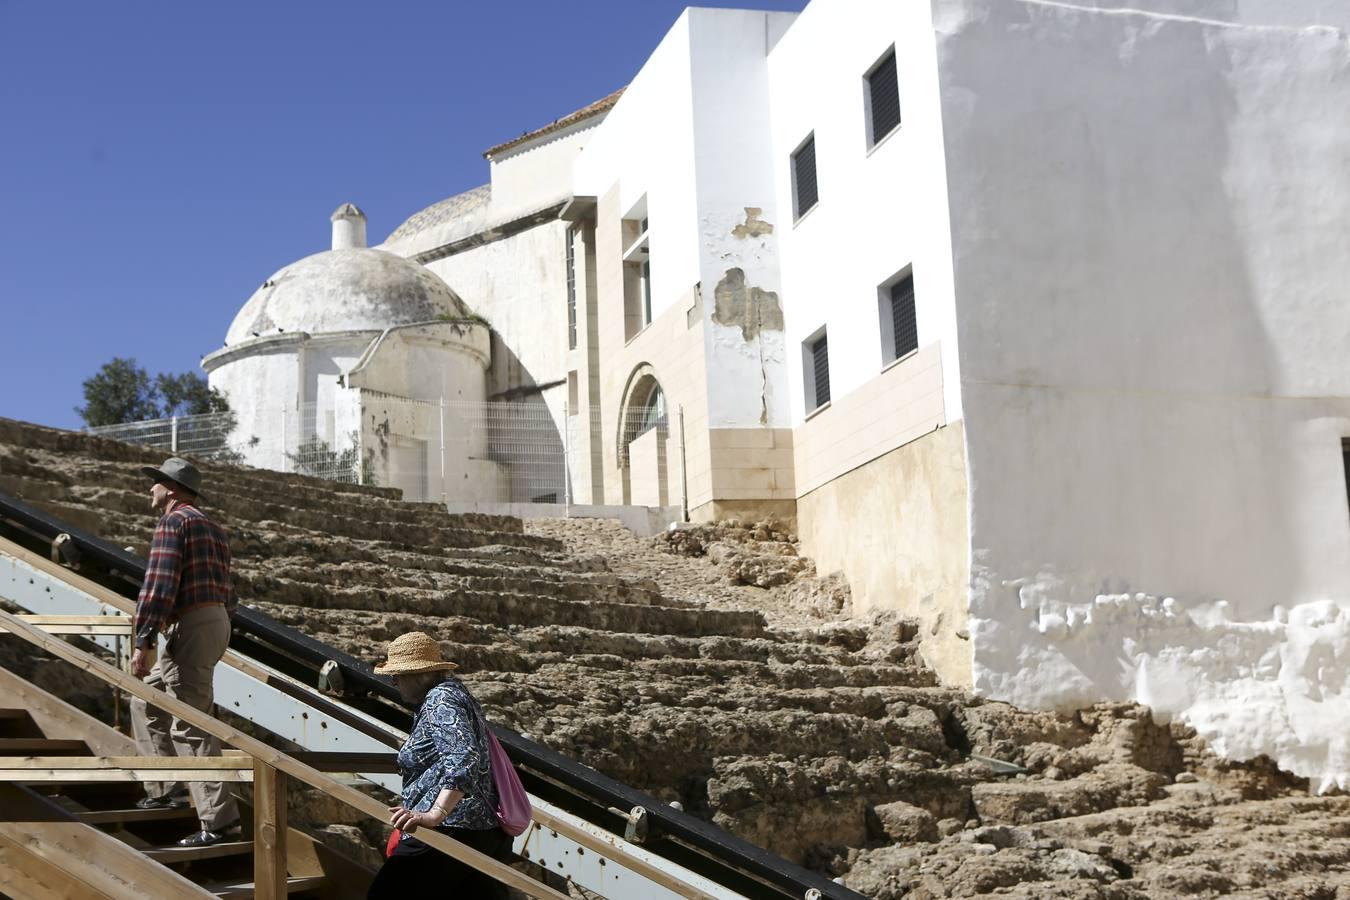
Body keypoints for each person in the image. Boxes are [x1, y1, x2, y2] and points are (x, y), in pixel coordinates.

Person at [127, 456, 241, 847]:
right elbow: (230, 588)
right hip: (214, 619)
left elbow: (158, 584)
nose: (150, 488)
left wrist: (143, 640)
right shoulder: (214, 528)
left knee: (190, 723)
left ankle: (219, 820)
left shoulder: (173, 522)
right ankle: (167, 787)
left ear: (171, 489)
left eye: (155, 482)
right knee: (146, 701)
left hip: (191, 622)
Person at [367, 631, 512, 899]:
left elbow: (463, 758)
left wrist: (435, 814)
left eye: (397, 675)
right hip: (481, 830)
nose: (394, 681)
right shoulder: (455, 694)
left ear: (416, 675)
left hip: (454, 828)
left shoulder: (440, 700)